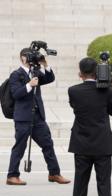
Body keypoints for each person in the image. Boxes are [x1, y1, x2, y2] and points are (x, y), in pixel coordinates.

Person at [7, 48, 70, 185]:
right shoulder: (16, 75)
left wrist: (45, 64)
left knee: (48, 144)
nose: (32, 59)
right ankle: (12, 175)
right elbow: (16, 94)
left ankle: (54, 173)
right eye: (30, 57)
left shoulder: (35, 72)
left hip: (38, 117)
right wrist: (29, 84)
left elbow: (49, 78)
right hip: (23, 117)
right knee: (19, 147)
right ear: (23, 58)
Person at [68, 57, 112, 196]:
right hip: (102, 144)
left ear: (80, 73)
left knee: (80, 184)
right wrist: (111, 88)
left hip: (81, 143)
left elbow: (74, 106)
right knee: (104, 184)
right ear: (97, 72)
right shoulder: (107, 91)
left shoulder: (73, 90)